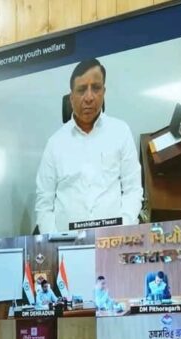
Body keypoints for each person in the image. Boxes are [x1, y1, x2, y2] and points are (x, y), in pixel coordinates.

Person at [35, 58, 143, 234]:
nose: (89, 97)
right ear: (71, 98)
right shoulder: (55, 144)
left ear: (104, 92)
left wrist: (122, 233)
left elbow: (133, 190)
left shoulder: (121, 132)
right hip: (68, 242)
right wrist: (56, 240)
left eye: (96, 88)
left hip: (113, 239)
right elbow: (44, 204)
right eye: (81, 90)